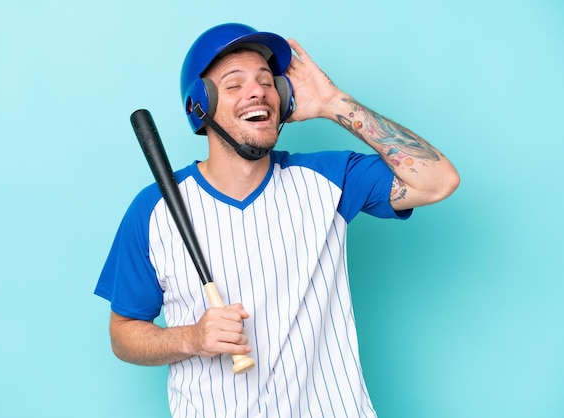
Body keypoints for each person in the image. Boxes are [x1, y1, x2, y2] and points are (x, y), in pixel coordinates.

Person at [95, 23, 459, 417]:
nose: (258, 92)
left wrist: (333, 103)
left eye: (268, 82)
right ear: (200, 105)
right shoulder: (154, 210)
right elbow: (124, 335)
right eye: (234, 85)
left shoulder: (331, 179)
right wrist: (193, 338)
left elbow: (438, 181)